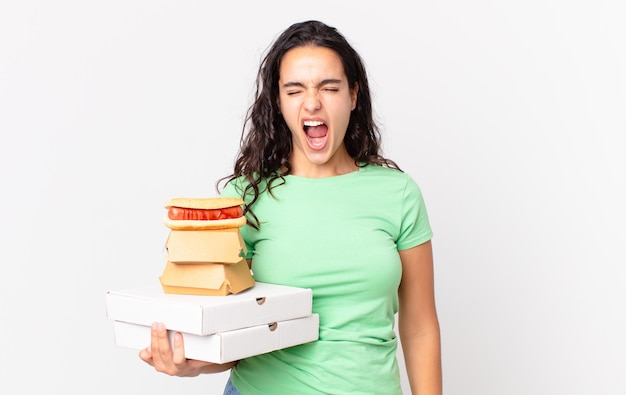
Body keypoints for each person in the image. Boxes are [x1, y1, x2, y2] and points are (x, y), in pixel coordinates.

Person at [139, 20, 442, 395]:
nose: (312, 102)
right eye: (294, 90)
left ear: (353, 95)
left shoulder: (398, 194)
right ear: (278, 102)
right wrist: (192, 363)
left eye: (329, 87)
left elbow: (420, 325)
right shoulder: (244, 198)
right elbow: (235, 332)